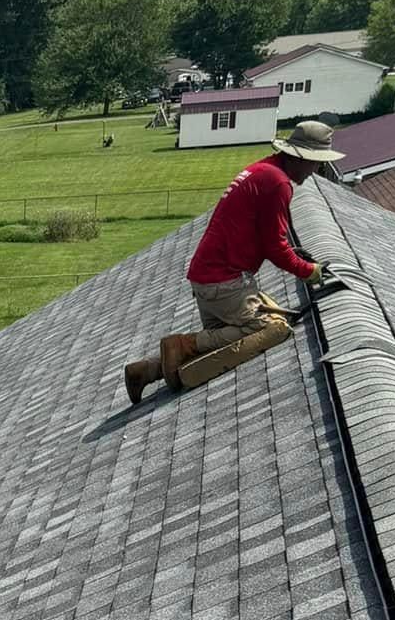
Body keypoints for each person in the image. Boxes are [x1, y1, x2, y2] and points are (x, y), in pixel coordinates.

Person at [124, 119, 344, 405]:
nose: (315, 170)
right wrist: (309, 272)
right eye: (315, 163)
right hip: (225, 281)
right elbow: (274, 246)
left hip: (208, 278)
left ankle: (147, 370)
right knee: (269, 328)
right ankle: (182, 344)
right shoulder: (278, 183)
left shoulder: (262, 170)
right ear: (300, 158)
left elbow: (265, 233)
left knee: (221, 348)